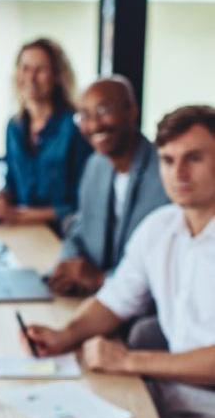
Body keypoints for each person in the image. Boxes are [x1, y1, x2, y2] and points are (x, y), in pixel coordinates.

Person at [24, 105, 215, 418]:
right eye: (167, 160)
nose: (177, 174)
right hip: (166, 393)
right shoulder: (160, 227)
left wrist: (129, 360)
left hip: (209, 414)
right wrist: (64, 335)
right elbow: (115, 300)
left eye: (194, 159)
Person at [48, 76, 170, 296]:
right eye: (84, 115)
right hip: (92, 299)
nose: (94, 124)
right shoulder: (96, 165)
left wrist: (102, 279)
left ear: (132, 112)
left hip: (138, 307)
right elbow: (79, 228)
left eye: (104, 110)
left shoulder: (166, 174)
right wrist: (69, 264)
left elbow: (165, 263)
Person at [0, 38, 92, 230]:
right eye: (25, 68)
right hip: (24, 230)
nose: (30, 77)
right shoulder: (14, 127)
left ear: (56, 76)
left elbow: (81, 203)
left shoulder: (75, 128)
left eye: (40, 70)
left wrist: (19, 215)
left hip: (61, 234)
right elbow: (12, 186)